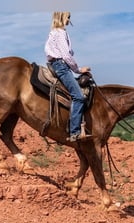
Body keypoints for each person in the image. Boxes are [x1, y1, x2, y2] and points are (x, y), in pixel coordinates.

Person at [45, 12, 92, 142]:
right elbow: (66, 55)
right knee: (78, 96)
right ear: (62, 17)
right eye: (68, 16)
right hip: (61, 66)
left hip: (57, 65)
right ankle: (75, 132)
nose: (69, 19)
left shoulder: (54, 32)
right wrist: (78, 70)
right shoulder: (60, 33)